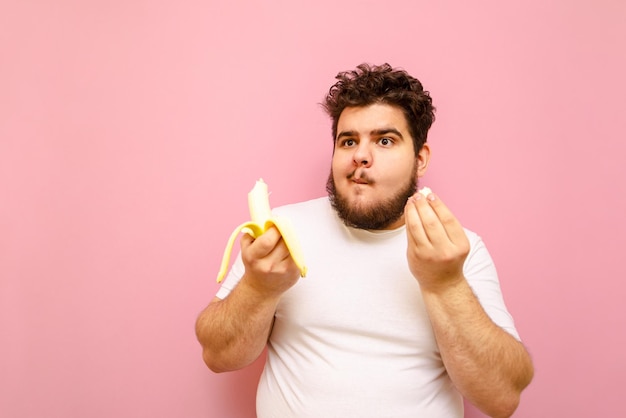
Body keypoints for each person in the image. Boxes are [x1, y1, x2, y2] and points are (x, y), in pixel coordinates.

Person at [195, 63, 534, 418]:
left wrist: (445, 284)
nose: (360, 155)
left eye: (384, 140)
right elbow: (218, 356)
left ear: (420, 160)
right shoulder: (283, 232)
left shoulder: (457, 250)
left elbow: (501, 397)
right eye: (349, 141)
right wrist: (258, 288)